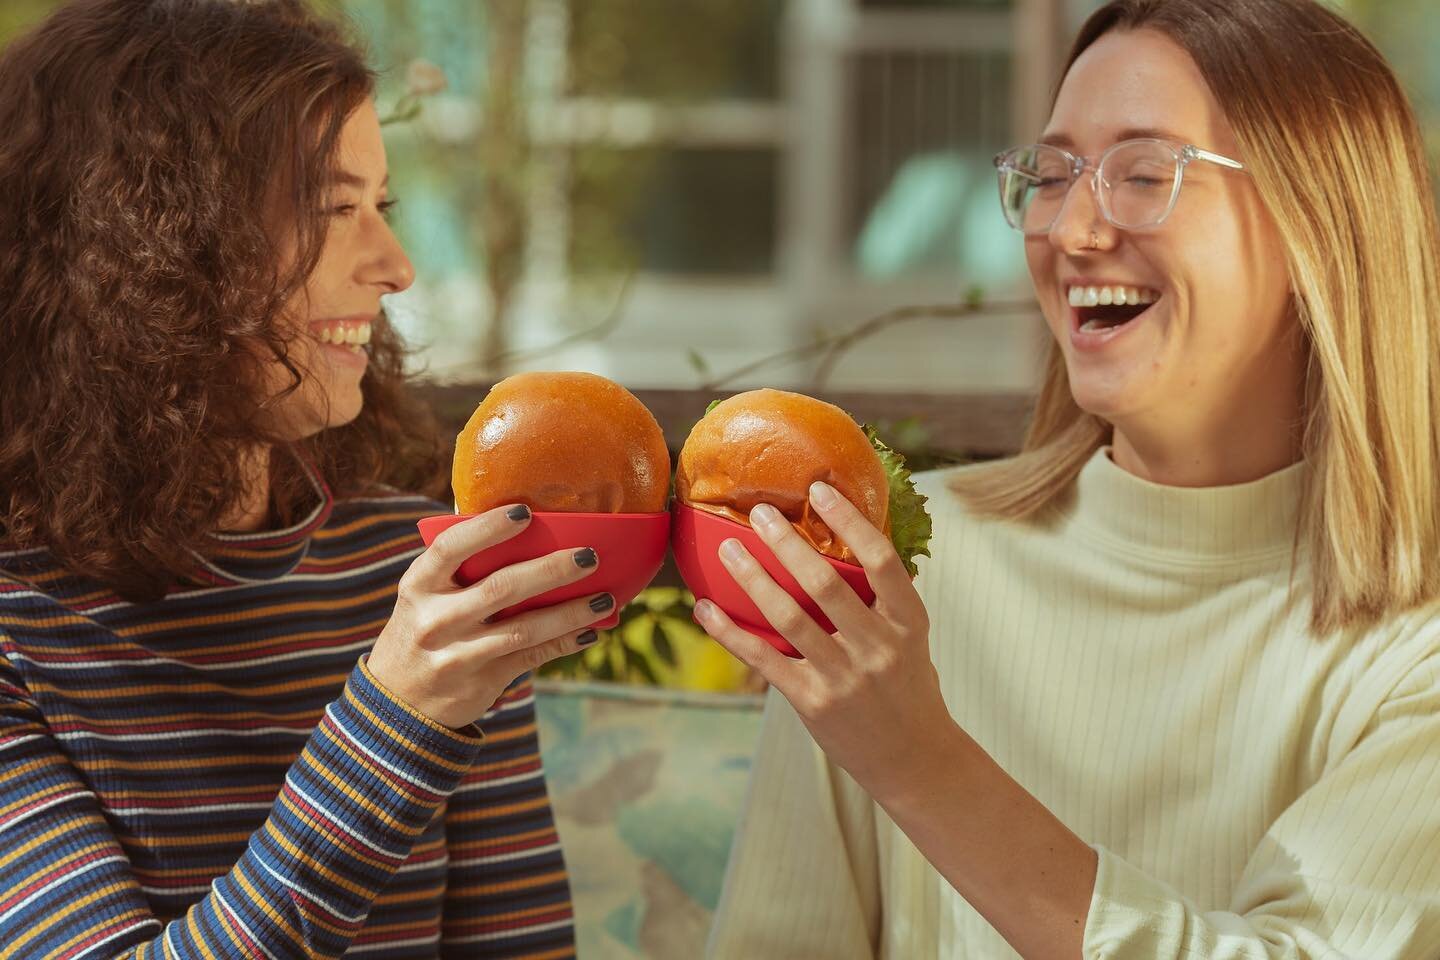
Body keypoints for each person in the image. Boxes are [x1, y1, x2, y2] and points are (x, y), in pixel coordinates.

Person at [702, 0, 1440, 956]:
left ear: (1320, 223)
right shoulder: (898, 573)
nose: (1074, 231)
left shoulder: (1413, 650)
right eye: (1051, 176)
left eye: (1143, 175)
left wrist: (922, 768)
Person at [0, 1, 610, 956]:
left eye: (385, 206)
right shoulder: (16, 632)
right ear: (144, 247)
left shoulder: (420, 578)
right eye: (334, 210)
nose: (397, 267)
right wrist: (399, 719)